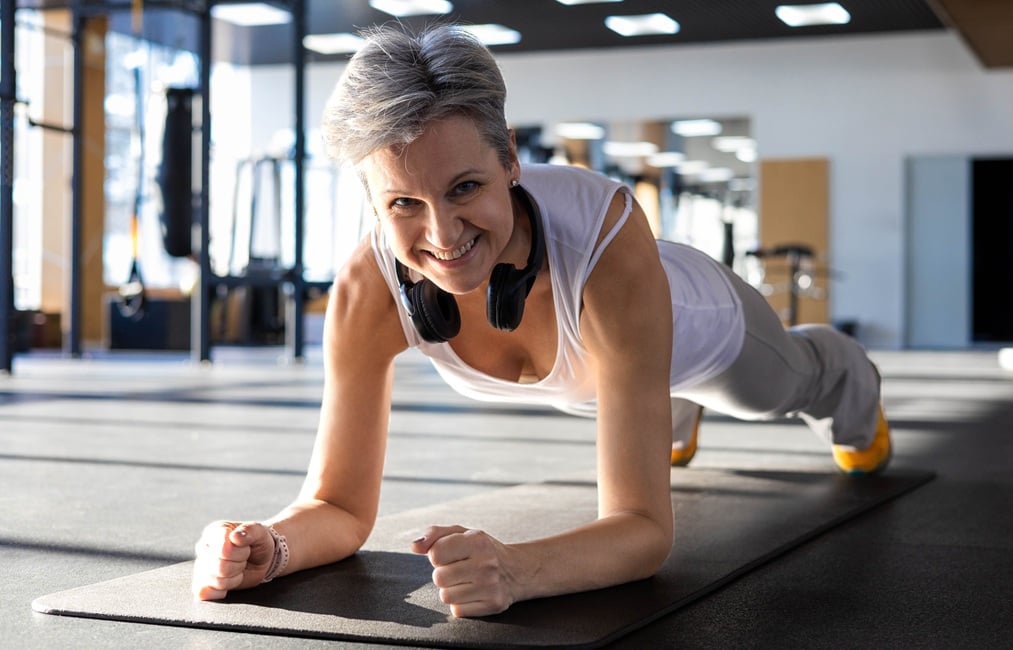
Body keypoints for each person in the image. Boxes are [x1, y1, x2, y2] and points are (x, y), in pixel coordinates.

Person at [191, 23, 891, 618]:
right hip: (607, 373)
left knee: (786, 386)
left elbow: (643, 531)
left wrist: (516, 569)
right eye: (403, 203)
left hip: (695, 324)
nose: (442, 234)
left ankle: (846, 379)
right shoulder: (367, 289)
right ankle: (663, 412)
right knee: (628, 397)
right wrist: (270, 545)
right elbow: (337, 506)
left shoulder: (607, 237)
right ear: (373, 206)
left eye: (466, 187)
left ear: (511, 163)